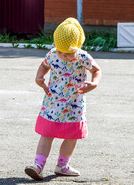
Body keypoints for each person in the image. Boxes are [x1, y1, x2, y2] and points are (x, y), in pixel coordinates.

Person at [25, 18, 102, 180]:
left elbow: (96, 70)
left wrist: (94, 83)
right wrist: (39, 77)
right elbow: (44, 65)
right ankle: (38, 166)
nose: (63, 56)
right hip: (53, 103)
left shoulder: (83, 57)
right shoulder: (53, 54)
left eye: (68, 53)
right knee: (47, 134)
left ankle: (62, 165)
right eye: (60, 51)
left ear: (77, 47)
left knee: (72, 136)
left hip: (75, 105)